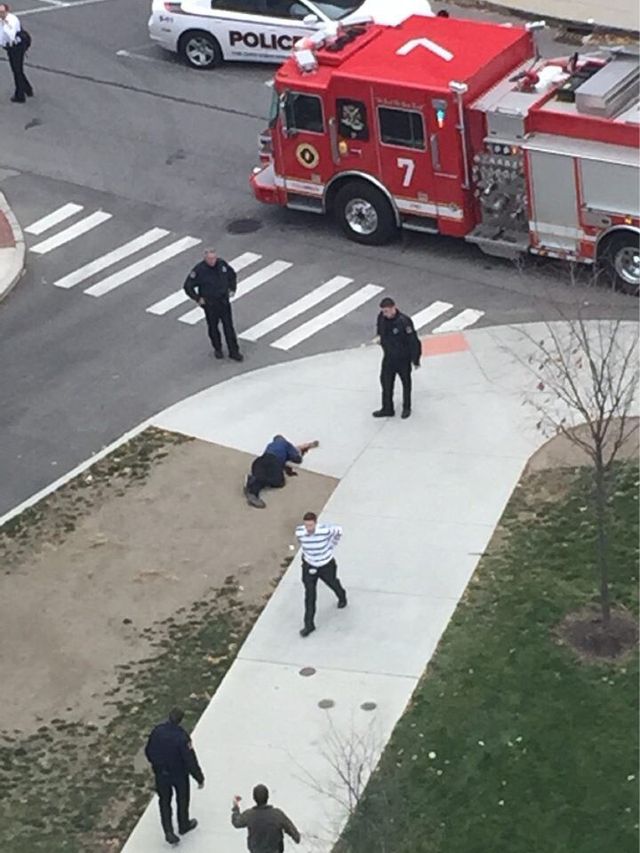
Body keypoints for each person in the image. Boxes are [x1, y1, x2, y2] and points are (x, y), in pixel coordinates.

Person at [144, 707, 205, 846]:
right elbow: (190, 759)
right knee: (182, 799)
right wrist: (199, 777)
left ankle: (168, 831)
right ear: (180, 720)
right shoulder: (182, 737)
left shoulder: (157, 731)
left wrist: (156, 765)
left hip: (161, 774)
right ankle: (183, 824)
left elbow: (148, 751)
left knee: (164, 802)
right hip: (179, 774)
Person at [183, 248, 243, 361]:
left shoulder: (222, 265)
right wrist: (197, 298)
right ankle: (218, 348)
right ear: (205, 259)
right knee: (213, 328)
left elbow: (232, 275)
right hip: (210, 304)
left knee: (229, 327)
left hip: (223, 301)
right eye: (210, 259)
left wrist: (232, 288)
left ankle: (234, 351)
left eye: (214, 258)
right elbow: (188, 286)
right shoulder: (199, 270)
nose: (212, 261)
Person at [295, 511, 346, 637]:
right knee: (310, 595)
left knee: (332, 582)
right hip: (309, 565)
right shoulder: (300, 532)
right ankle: (309, 625)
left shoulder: (325, 530)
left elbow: (339, 531)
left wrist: (331, 545)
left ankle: (342, 596)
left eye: (311, 525)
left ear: (316, 523)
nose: (309, 528)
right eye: (307, 525)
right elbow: (300, 541)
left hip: (326, 565)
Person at [373, 296, 421, 420]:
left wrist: (415, 359)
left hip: (403, 359)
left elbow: (413, 341)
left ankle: (406, 407)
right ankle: (387, 408)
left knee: (406, 383)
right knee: (386, 383)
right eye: (383, 311)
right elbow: (379, 329)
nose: (385, 314)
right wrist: (379, 337)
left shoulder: (404, 322)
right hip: (389, 358)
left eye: (386, 311)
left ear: (393, 308)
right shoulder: (381, 318)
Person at [244, 436, 319, 509]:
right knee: (279, 482)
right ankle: (255, 481)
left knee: (261, 476)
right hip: (274, 461)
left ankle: (253, 490)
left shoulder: (270, 445)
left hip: (260, 460)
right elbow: (297, 459)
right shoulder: (286, 444)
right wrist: (300, 451)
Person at [231, 784, 301, 852]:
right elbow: (295, 835)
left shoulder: (249, 815)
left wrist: (235, 807)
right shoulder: (277, 814)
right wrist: (295, 837)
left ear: (254, 798)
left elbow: (236, 822)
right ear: (267, 797)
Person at [0, 3, 33, 104]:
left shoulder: (12, 20)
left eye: (2, 12)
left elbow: (10, 35)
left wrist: (5, 24)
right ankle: (27, 89)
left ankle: (20, 95)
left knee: (17, 70)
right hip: (10, 48)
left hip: (17, 47)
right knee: (17, 69)